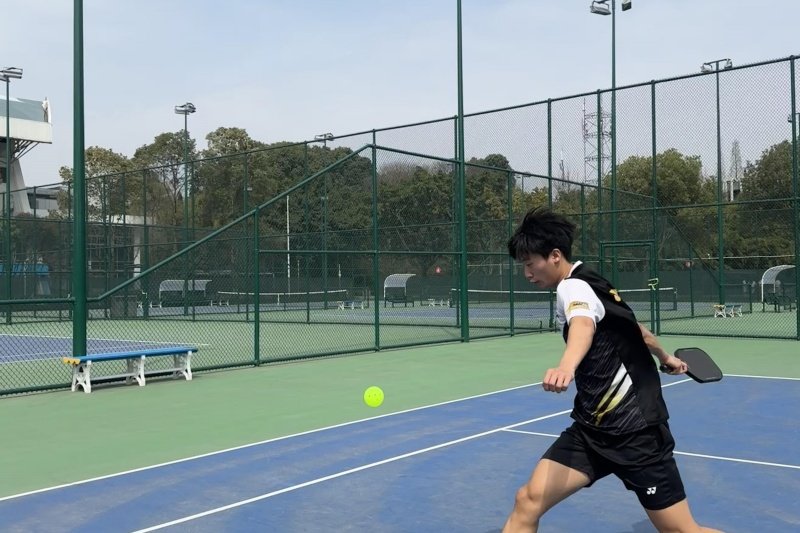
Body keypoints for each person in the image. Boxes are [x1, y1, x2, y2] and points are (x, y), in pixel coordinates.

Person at [502, 207, 721, 533]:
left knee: (682, 530)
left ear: (555, 256)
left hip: (636, 434)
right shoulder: (596, 282)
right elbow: (635, 329)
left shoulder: (572, 288)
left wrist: (566, 365)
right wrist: (665, 355)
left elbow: (582, 326)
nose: (527, 272)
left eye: (530, 263)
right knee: (528, 500)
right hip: (592, 431)